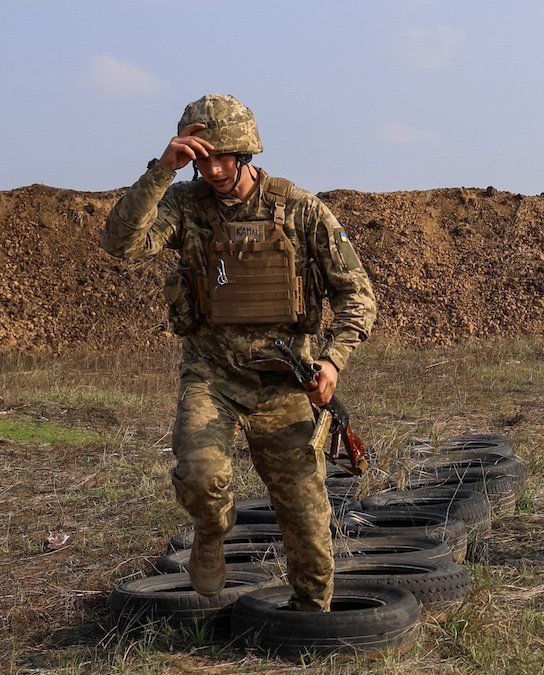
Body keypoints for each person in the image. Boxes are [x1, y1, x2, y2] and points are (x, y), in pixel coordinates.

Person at [101, 94, 377, 611]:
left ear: (245, 153)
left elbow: (356, 292)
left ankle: (311, 616)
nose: (211, 168)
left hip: (283, 380)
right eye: (200, 157)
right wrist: (162, 171)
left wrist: (334, 360)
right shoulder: (184, 206)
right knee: (201, 478)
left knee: (304, 512)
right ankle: (210, 531)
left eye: (221, 157)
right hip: (213, 373)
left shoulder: (299, 209)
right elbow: (120, 242)